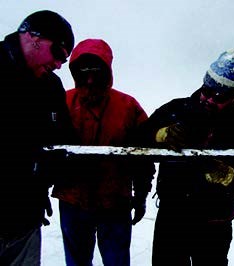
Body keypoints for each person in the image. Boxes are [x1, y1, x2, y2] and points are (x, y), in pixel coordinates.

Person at [134, 42, 234, 266]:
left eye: (219, 96)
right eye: (207, 90)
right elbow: (137, 142)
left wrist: (229, 176)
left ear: (233, 96)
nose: (209, 99)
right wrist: (160, 135)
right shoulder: (174, 110)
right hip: (172, 218)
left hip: (215, 223)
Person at [52, 38, 155, 266]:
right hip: (72, 201)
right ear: (75, 72)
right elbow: (44, 148)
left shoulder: (128, 107)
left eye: (96, 73)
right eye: (83, 72)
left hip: (115, 203)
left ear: (107, 72)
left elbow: (143, 158)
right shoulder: (61, 103)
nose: (89, 80)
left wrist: (140, 196)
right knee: (77, 261)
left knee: (116, 261)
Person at [0, 10, 77, 265]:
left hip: (25, 221)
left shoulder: (51, 87)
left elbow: (64, 139)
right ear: (34, 37)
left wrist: (58, 167)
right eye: (58, 53)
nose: (58, 64)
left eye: (64, 61)